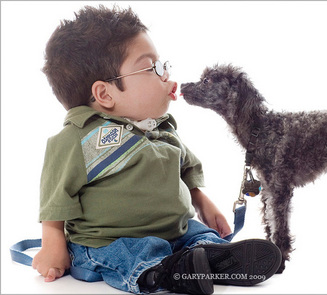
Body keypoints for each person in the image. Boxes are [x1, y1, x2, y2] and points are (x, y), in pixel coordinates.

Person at [32, 5, 281, 294]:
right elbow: (55, 192)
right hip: (111, 241)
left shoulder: (160, 128)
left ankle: (208, 257)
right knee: (135, 253)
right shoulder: (81, 138)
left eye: (163, 65)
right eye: (153, 67)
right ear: (105, 94)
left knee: (198, 235)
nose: (165, 74)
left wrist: (202, 202)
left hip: (177, 230)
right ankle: (162, 273)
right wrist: (52, 243)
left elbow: (187, 167)